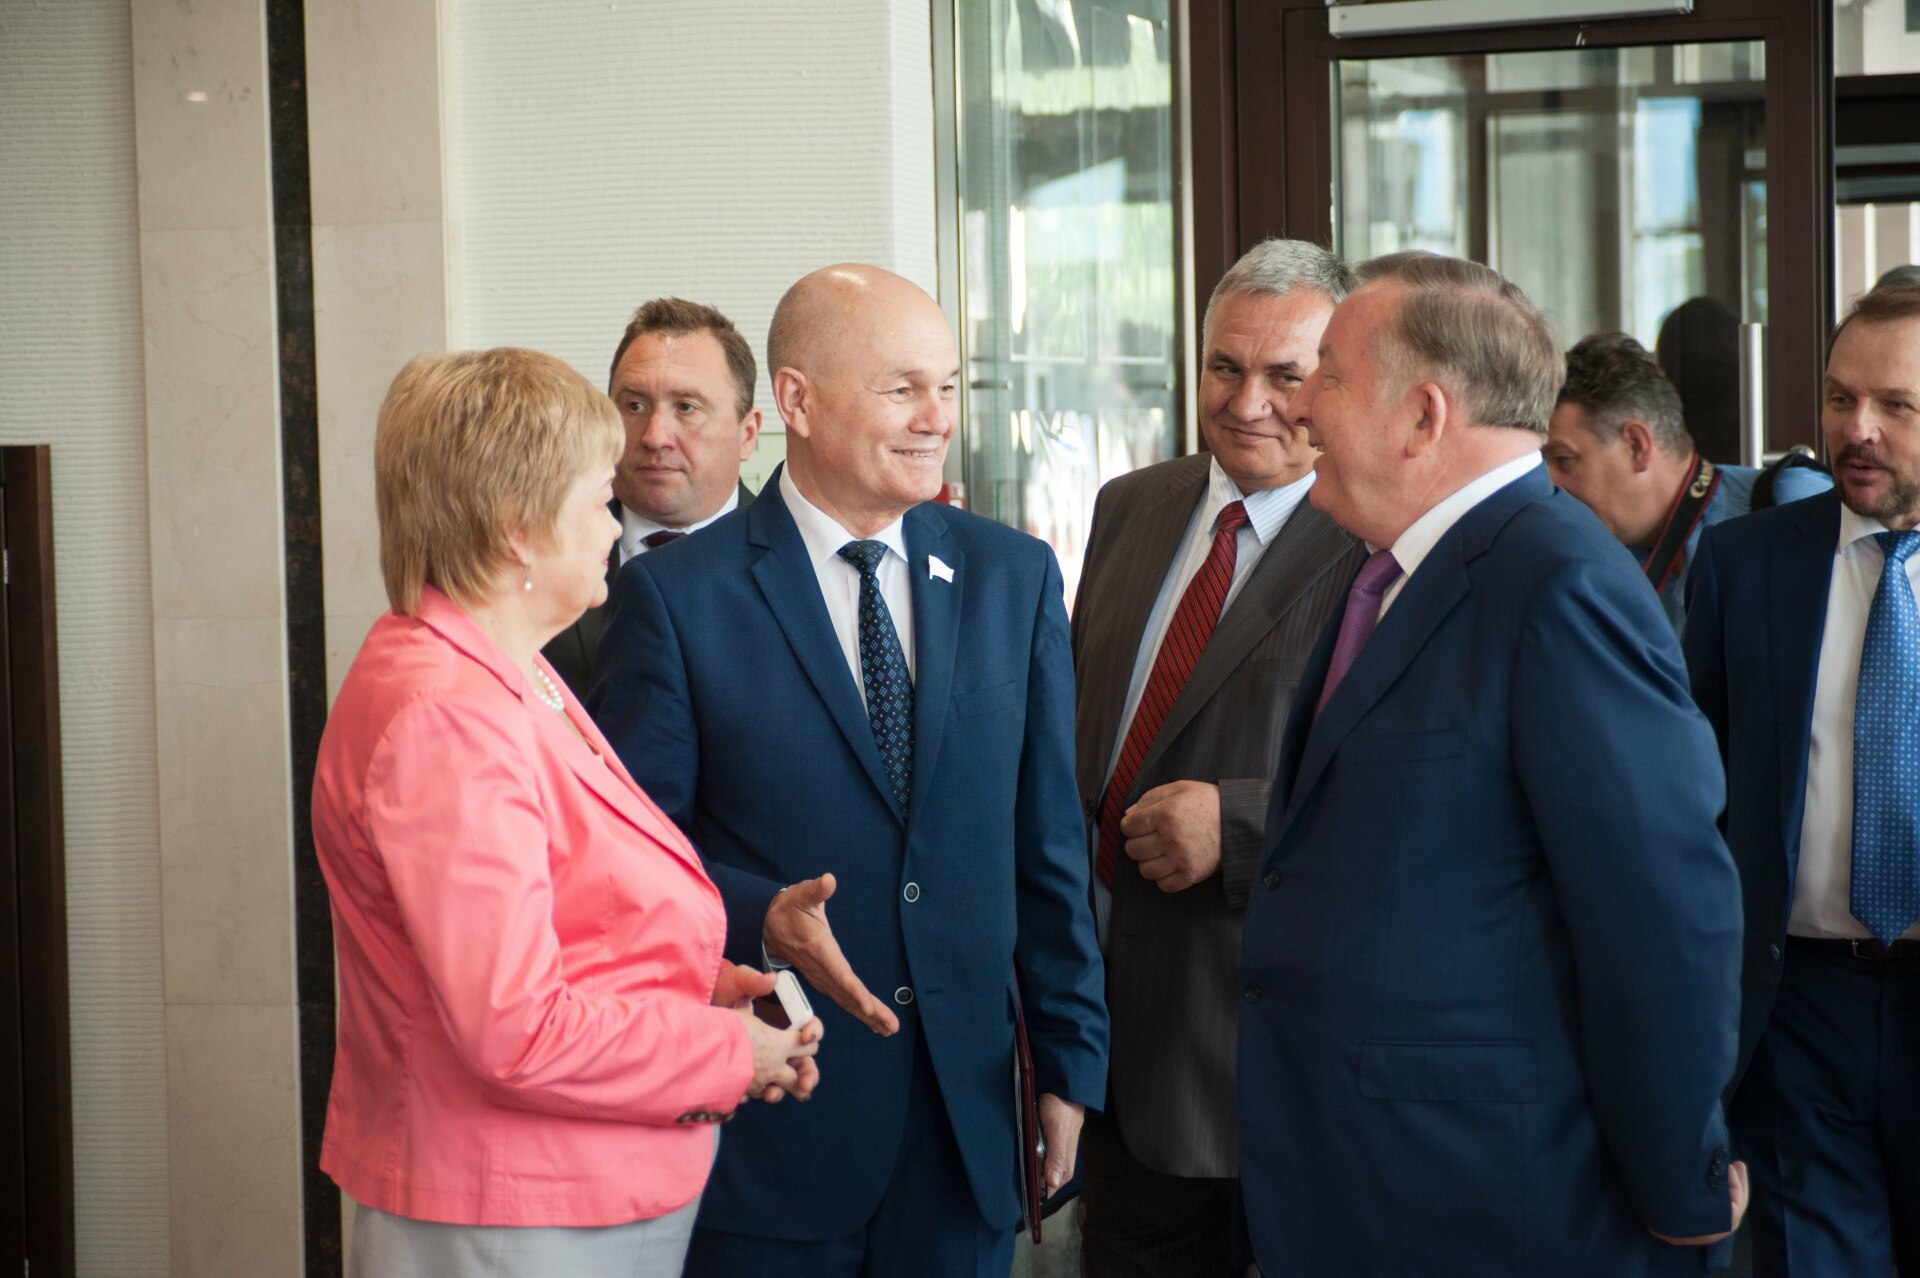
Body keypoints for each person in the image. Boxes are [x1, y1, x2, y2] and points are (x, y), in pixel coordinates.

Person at [588, 265, 1107, 1276]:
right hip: (776, 1129)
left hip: (963, 1134)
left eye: (947, 387)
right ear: (797, 400)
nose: (936, 418)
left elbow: (1048, 846)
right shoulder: (675, 600)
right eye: (902, 389)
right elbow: (630, 858)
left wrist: (1071, 1063)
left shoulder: (1013, 576)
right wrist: (761, 913)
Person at [1239, 251, 1748, 1275]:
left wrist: (1679, 1183)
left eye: (1326, 375)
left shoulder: (1560, 583)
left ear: (1423, 417)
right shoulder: (1389, 572)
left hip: (1490, 1205)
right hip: (1364, 1183)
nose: (1296, 408)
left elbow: (1661, 916)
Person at [313, 348, 819, 1278]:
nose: (614, 523)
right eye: (596, 499)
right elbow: (515, 1025)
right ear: (518, 529)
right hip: (516, 1211)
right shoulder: (449, 717)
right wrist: (722, 1052)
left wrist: (695, 980)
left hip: (559, 1191)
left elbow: (568, 910)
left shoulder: (503, 666)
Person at [1070, 239, 1361, 1278]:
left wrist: (1238, 825)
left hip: (1264, 1066)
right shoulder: (1128, 506)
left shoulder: (1376, 539)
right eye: (1223, 368)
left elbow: (1407, 800)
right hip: (1104, 1041)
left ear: (1337, 379)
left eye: (1285, 375)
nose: (1247, 404)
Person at [1684, 282, 1920, 1275]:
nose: (1856, 429)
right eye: (1838, 397)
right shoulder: (1744, 565)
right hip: (1799, 1007)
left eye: (1895, 405)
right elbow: (1695, 800)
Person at [540, 298, 761, 696]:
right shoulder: (540, 550)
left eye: (687, 407)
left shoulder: (799, 559)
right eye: (635, 406)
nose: (655, 436)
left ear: (747, 434)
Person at [1545, 330, 1830, 634]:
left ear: (1636, 445)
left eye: (1564, 459)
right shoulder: (1598, 565)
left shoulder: (1790, 498)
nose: (1548, 483)